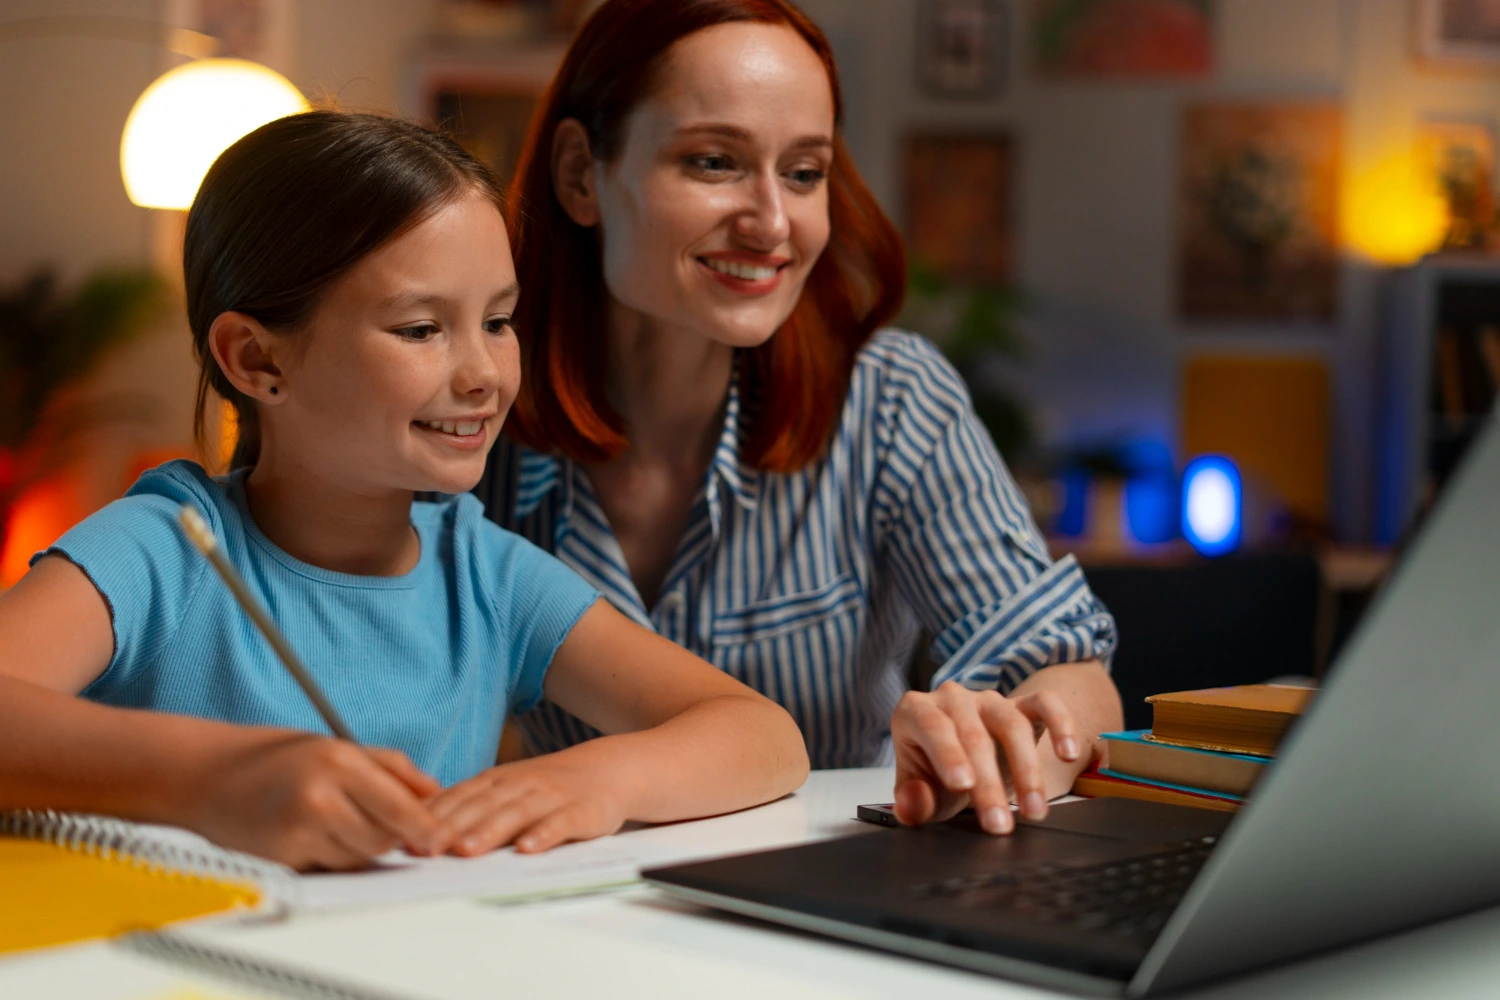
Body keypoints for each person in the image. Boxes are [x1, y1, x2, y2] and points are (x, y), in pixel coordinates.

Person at [0, 111, 808, 872]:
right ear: (258, 360)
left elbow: (763, 735)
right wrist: (216, 780)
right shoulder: (168, 545)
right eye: (421, 329)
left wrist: (599, 780)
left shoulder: (488, 577)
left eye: (497, 321)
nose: (485, 375)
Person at [476, 0, 1123, 837]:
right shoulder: (475, 421)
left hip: (835, 897)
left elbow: (1069, 670)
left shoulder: (888, 400)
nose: (773, 223)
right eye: (714, 161)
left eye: (805, 172)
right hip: (571, 903)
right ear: (579, 174)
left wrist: (1003, 747)